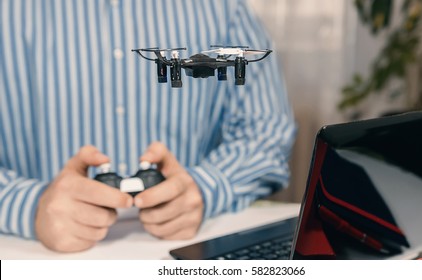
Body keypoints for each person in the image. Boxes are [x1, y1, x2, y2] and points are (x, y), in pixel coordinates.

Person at [0, 0, 296, 252]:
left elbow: (266, 129)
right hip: (34, 255)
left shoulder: (223, 7)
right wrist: (29, 205)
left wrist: (207, 186)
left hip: (186, 251)